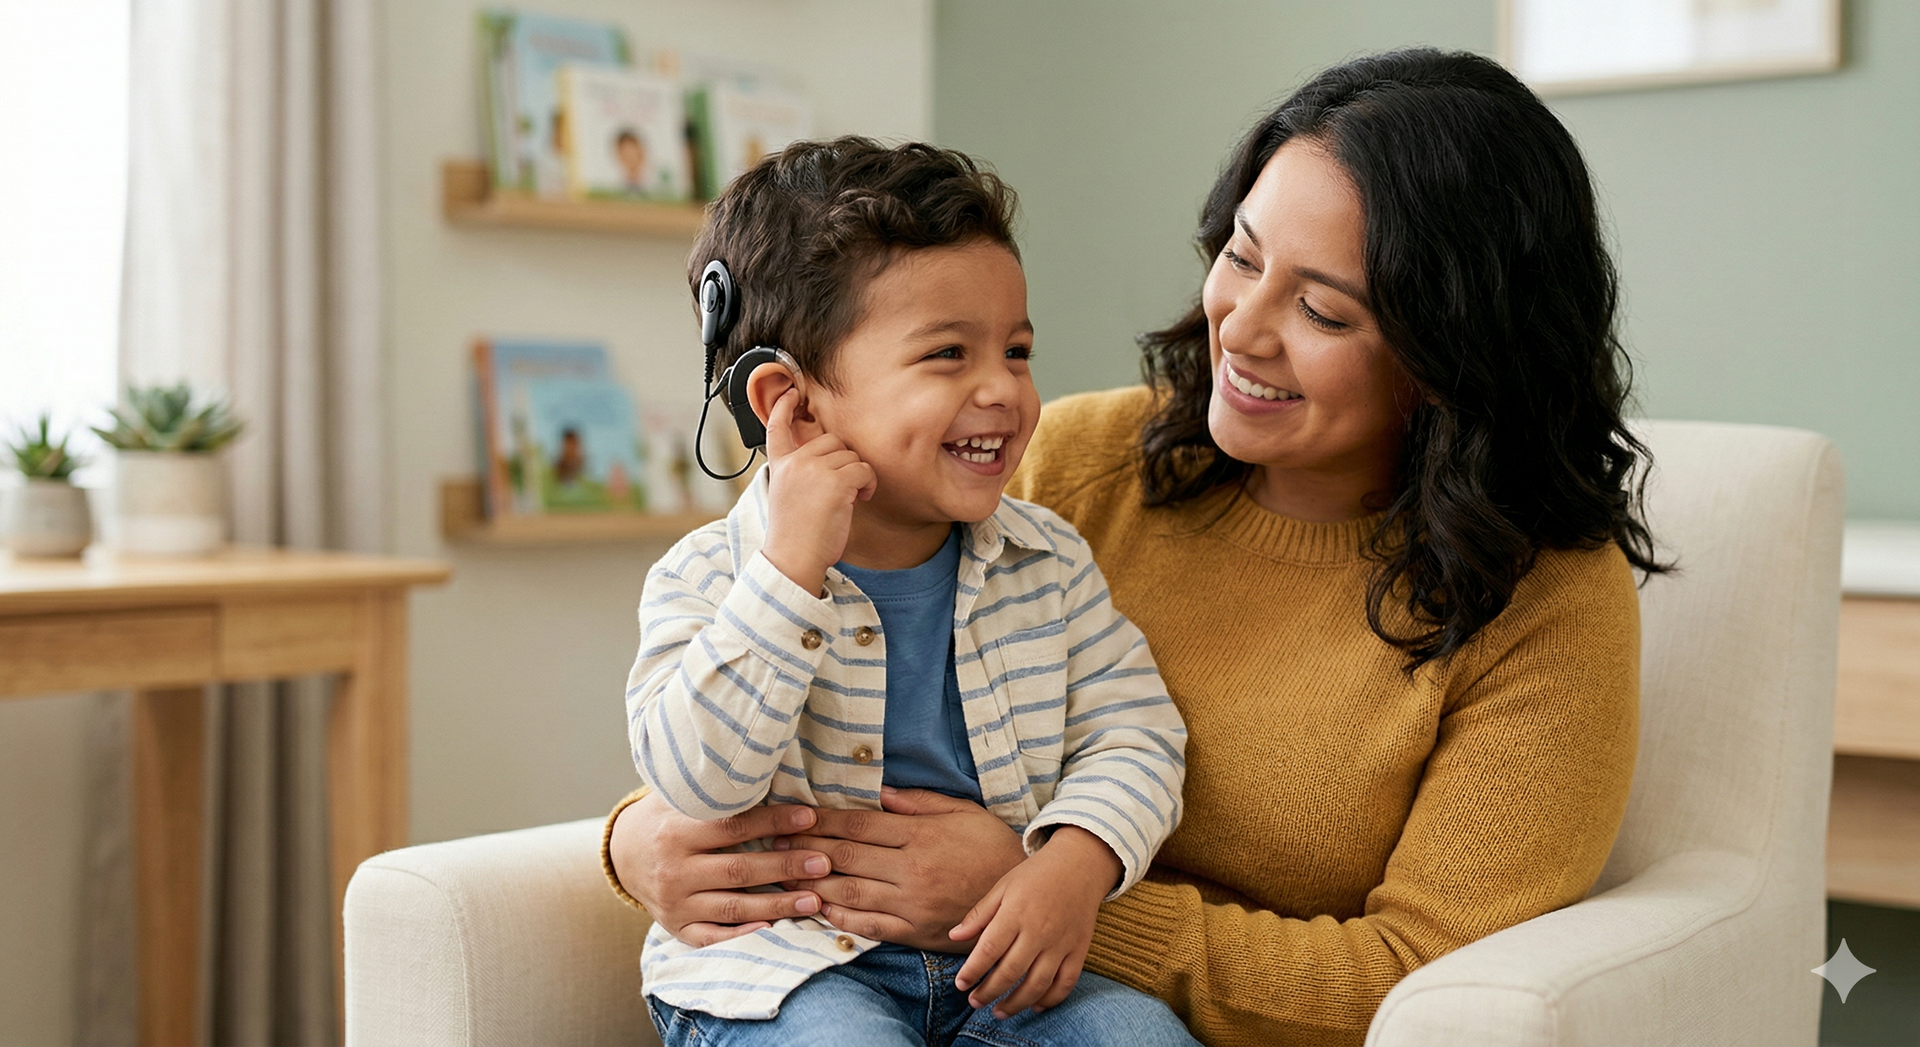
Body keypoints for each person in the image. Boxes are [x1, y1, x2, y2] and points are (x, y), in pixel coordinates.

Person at [605, 48, 1663, 1046]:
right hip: (825, 967)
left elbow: (1427, 981)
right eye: (1241, 257)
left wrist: (1044, 889)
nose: (1240, 328)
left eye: (1323, 311)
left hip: (1068, 985)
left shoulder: (1544, 601)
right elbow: (761, 719)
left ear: (1449, 353)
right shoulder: (1075, 463)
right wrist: (635, 843)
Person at [625, 137, 1197, 1047]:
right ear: (794, 407)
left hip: (992, 963)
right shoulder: (708, 578)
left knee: (1146, 1037)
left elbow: (1138, 732)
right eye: (947, 354)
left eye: (1015, 349)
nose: (1003, 390)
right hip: (783, 971)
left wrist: (1072, 866)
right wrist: (787, 577)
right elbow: (700, 780)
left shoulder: (1049, 560)